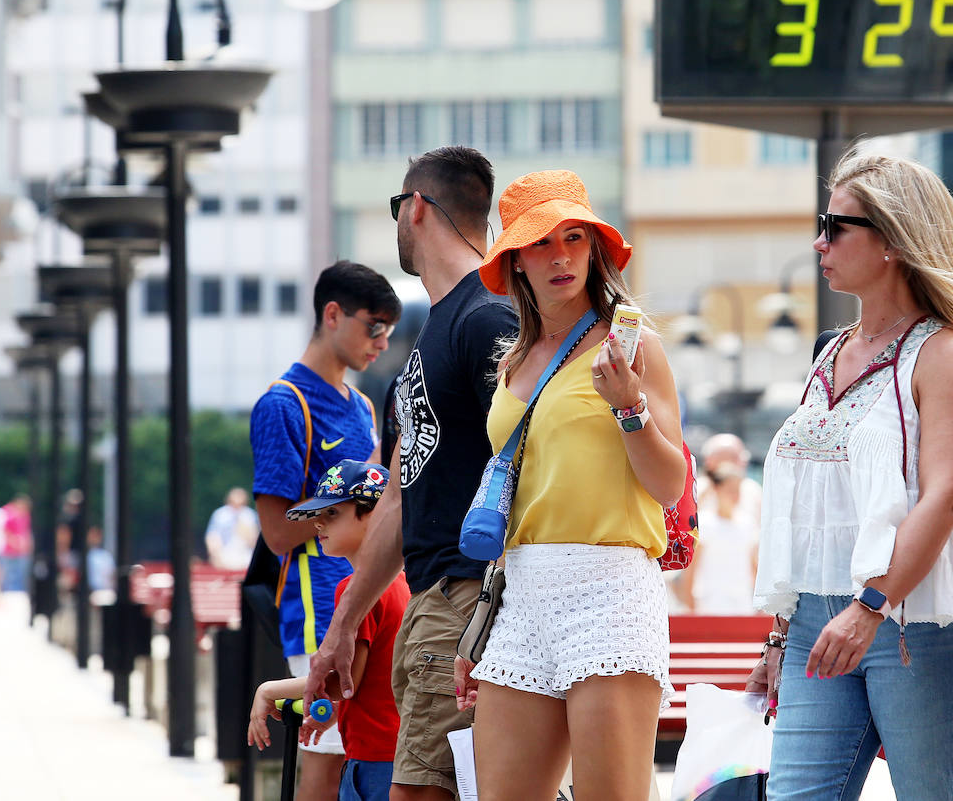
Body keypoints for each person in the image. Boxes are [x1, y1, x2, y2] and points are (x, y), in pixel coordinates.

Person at [746, 151, 953, 801]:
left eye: (837, 226)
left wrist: (871, 605)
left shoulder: (943, 352)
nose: (819, 241)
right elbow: (811, 512)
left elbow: (948, 496)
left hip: (920, 618)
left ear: (893, 240)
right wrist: (782, 632)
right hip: (816, 616)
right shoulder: (829, 354)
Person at [453, 169, 688, 801]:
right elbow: (518, 498)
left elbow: (670, 485)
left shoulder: (631, 347)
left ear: (595, 249)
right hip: (522, 587)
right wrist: (485, 619)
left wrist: (629, 406)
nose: (560, 257)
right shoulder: (513, 360)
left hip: (608, 585)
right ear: (516, 261)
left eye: (575, 238)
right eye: (540, 244)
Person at [304, 146, 517, 801]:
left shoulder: (487, 317)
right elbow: (398, 496)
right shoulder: (434, 332)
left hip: (467, 601)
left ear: (415, 208)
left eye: (397, 207)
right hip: (434, 604)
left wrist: (493, 615)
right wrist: (343, 626)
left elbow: (530, 469)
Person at [250, 259, 401, 801]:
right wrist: (344, 509)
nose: (382, 343)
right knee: (327, 753)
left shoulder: (361, 405)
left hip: (373, 598)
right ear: (332, 315)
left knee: (367, 748)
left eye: (389, 330)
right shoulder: (282, 404)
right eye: (374, 326)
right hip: (318, 607)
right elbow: (275, 532)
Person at [250, 459, 411, 801]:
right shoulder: (405, 582)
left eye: (333, 513)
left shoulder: (356, 590)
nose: (318, 523)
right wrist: (332, 713)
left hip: (375, 761)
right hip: (404, 754)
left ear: (374, 514)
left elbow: (341, 682)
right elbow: (375, 680)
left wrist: (268, 690)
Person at [677, 462, 758, 614]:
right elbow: (690, 571)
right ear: (717, 489)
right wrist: (691, 609)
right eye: (730, 490)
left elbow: (753, 567)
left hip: (742, 606)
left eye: (737, 490)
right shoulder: (704, 524)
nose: (735, 496)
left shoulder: (748, 524)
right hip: (709, 605)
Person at [205, 487, 260, 570]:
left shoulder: (250, 515)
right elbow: (212, 537)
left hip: (246, 556)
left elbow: (256, 541)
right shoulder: (220, 515)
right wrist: (216, 554)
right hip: (224, 554)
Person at [0, 495, 33, 593]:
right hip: (10, 550)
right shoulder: (10, 516)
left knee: (22, 575)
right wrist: (15, 543)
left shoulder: (26, 517)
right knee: (10, 575)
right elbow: (6, 532)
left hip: (22, 550)